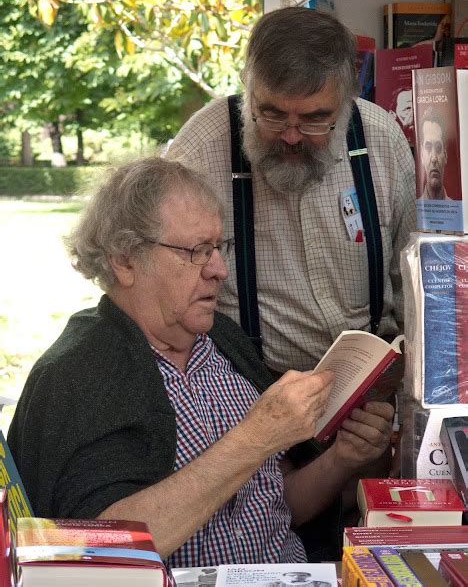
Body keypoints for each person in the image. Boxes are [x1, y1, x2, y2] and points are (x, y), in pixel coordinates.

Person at [8, 158, 394, 567]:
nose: (220, 270)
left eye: (218, 247)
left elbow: (272, 509)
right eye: (196, 251)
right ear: (124, 260)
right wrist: (255, 437)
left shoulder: (220, 339)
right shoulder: (81, 372)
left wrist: (341, 459)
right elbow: (102, 550)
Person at [167, 6, 416, 377]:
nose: (291, 136)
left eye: (315, 119)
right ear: (246, 87)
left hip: (372, 390)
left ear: (349, 99)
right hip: (248, 393)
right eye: (272, 114)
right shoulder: (202, 150)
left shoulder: (382, 139)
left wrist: (389, 396)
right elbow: (166, 305)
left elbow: (415, 290)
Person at [418, 105, 450, 200]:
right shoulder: (414, 211)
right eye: (428, 147)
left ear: (445, 154)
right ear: (422, 155)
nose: (434, 158)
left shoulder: (460, 211)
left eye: (438, 147)